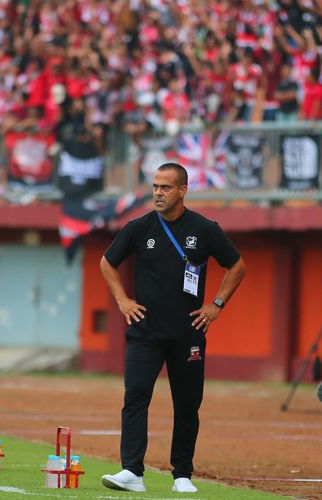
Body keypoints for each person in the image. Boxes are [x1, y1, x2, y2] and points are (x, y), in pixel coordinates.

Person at [99, 162, 246, 493]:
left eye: (165, 187)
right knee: (135, 396)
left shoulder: (205, 228)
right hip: (145, 333)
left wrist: (216, 305)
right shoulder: (138, 227)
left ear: (182, 191)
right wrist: (123, 300)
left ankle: (182, 475)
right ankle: (132, 472)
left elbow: (237, 265)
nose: (158, 193)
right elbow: (107, 262)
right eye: (154, 187)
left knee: (187, 402)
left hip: (188, 333)